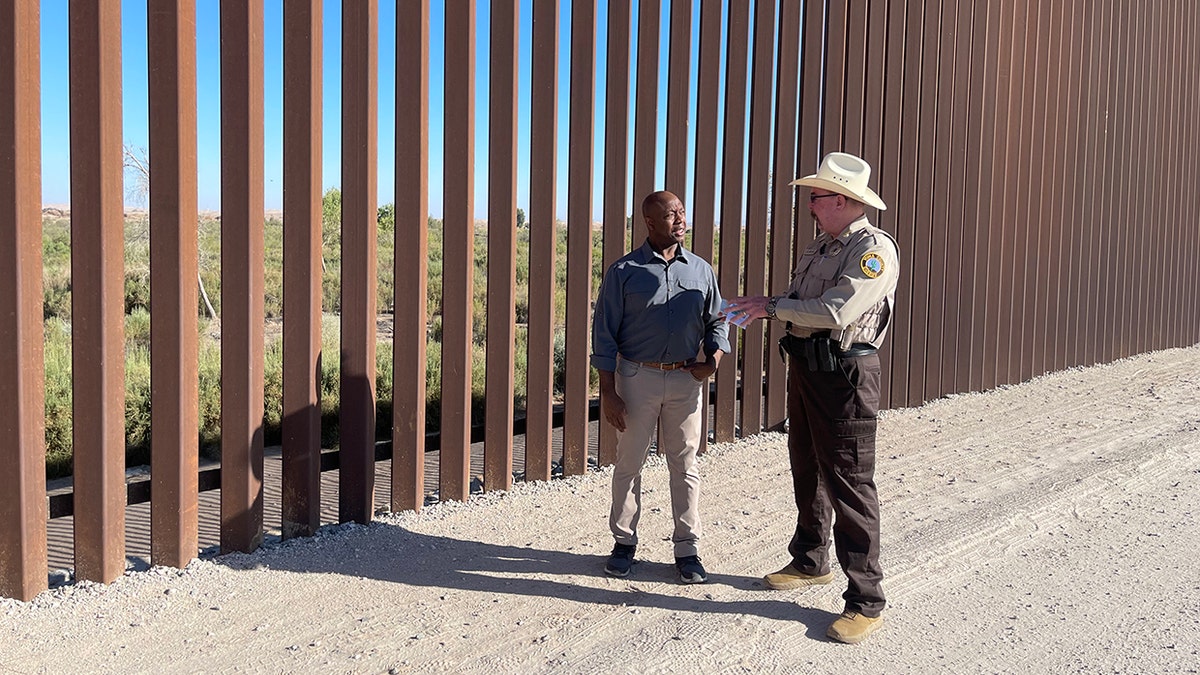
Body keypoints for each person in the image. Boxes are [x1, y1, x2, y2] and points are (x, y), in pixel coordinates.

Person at [723, 152, 899, 644]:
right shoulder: (824, 247)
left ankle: (866, 600)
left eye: (817, 197)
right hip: (809, 366)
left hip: (844, 374)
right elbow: (806, 304)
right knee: (807, 464)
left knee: (849, 479)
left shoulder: (872, 249)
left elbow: (837, 309)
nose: (811, 205)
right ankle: (810, 558)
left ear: (842, 200)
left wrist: (771, 305)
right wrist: (775, 308)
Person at [591, 190, 730, 584]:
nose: (680, 219)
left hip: (686, 380)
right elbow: (604, 335)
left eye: (682, 211)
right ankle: (624, 543)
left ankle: (687, 549)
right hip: (637, 379)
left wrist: (712, 361)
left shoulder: (701, 270)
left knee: (684, 463)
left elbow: (717, 321)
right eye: (671, 214)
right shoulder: (623, 272)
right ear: (650, 223)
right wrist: (609, 391)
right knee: (629, 463)